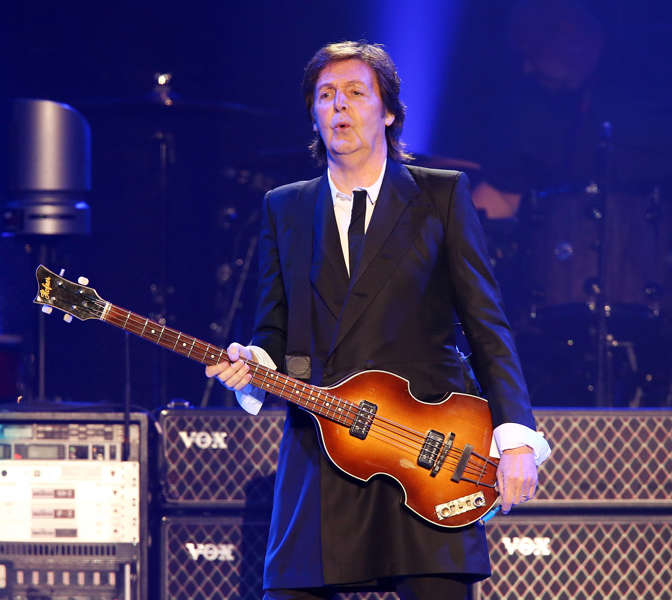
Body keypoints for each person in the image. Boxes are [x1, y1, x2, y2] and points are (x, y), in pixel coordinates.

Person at [206, 40, 550, 599]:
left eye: (355, 92)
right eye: (325, 95)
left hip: (426, 443)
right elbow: (273, 326)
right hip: (325, 441)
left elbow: (487, 325)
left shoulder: (441, 196)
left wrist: (515, 436)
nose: (339, 105)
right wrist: (255, 361)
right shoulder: (284, 207)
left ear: (387, 111)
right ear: (313, 117)